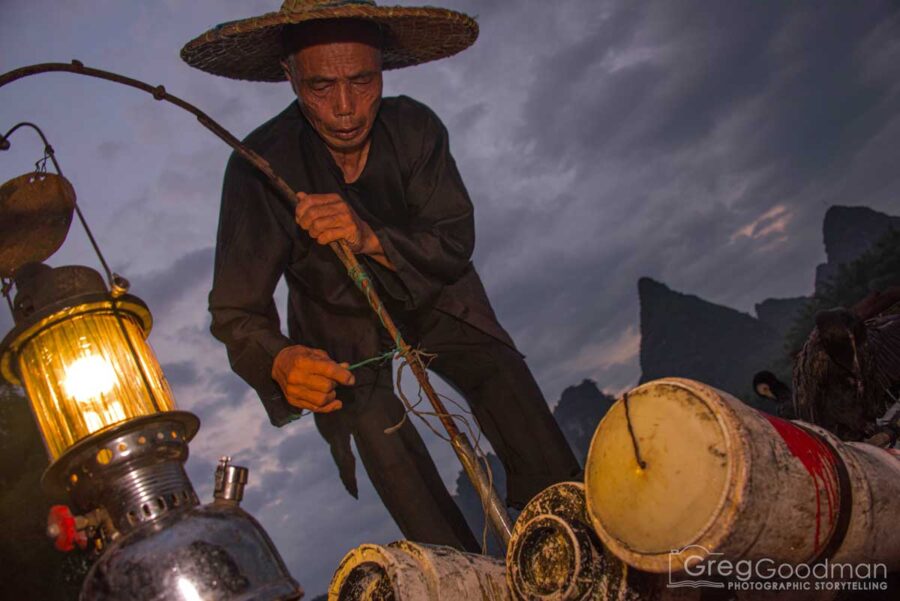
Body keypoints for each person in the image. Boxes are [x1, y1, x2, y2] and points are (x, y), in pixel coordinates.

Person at [182, 1, 579, 552]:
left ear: (382, 69)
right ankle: (463, 580)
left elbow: (452, 240)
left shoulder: (415, 128)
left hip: (434, 295)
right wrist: (280, 359)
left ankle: (575, 543)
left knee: (503, 382)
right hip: (338, 337)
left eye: (362, 80)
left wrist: (369, 237)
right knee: (385, 445)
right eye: (320, 87)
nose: (346, 109)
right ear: (289, 76)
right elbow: (235, 311)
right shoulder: (258, 168)